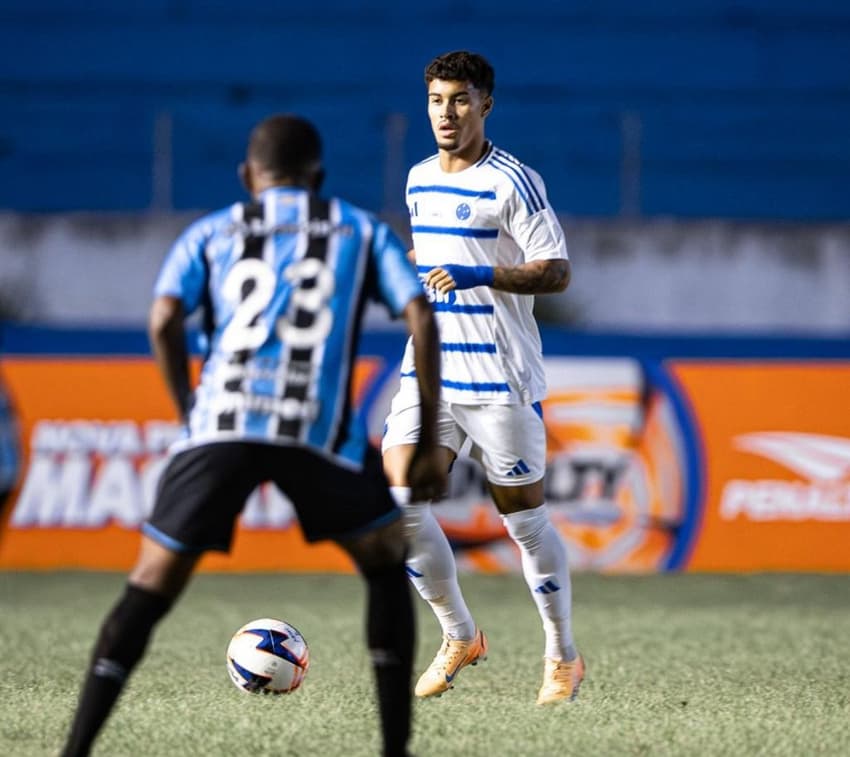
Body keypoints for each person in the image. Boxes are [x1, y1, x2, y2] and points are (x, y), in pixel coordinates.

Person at [61, 114, 445, 757]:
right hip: (316, 433)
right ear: (318, 177)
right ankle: (396, 750)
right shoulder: (356, 228)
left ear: (247, 177)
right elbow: (420, 314)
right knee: (384, 561)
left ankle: (74, 750)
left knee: (152, 583)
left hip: (220, 424)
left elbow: (163, 320)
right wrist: (430, 438)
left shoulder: (211, 232)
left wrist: (189, 409)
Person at [381, 50, 584, 705]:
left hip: (499, 376)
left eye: (461, 99)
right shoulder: (417, 179)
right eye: (438, 99)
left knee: (523, 523)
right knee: (401, 506)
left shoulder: (513, 182)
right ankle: (460, 634)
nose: (447, 112)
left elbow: (555, 270)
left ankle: (562, 656)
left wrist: (483, 274)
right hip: (430, 367)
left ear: (486, 104)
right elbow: (433, 253)